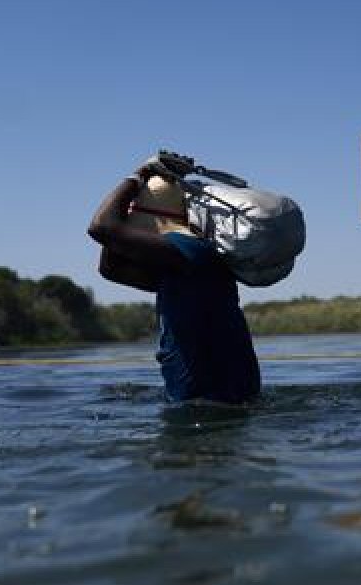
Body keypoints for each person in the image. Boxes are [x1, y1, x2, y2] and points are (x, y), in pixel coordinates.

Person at [87, 156, 260, 404]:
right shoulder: (185, 266)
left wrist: (140, 173)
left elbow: (101, 228)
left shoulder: (189, 251)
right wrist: (136, 199)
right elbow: (110, 268)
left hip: (204, 410)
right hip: (223, 402)